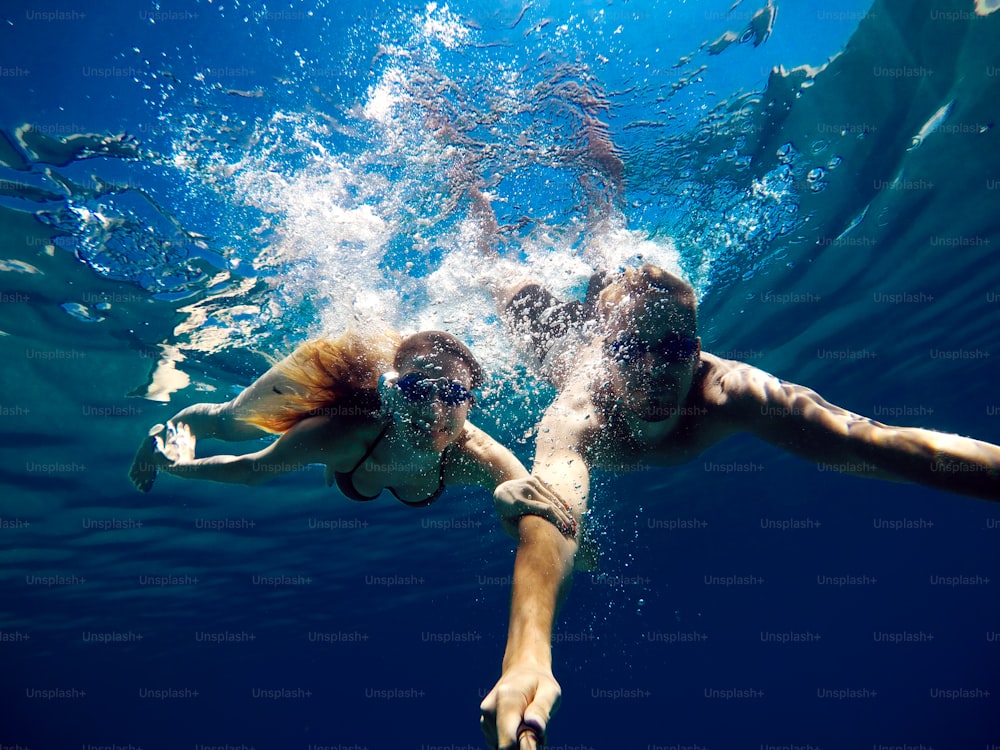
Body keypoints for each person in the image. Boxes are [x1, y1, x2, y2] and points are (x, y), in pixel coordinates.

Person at [480, 263, 1000, 749]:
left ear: (697, 350)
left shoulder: (730, 392)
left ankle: (603, 229)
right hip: (555, 346)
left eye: (675, 349)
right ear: (606, 351)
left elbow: (874, 443)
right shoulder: (576, 411)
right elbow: (552, 517)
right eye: (629, 350)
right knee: (509, 293)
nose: (655, 369)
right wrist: (526, 658)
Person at [128, 328, 578, 541]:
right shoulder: (336, 434)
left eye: (454, 393)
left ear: (471, 401)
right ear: (392, 391)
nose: (435, 411)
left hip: (350, 457)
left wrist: (504, 502)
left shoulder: (477, 455)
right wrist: (178, 466)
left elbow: (550, 520)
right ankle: (174, 425)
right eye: (417, 390)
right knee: (232, 423)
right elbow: (251, 471)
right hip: (347, 436)